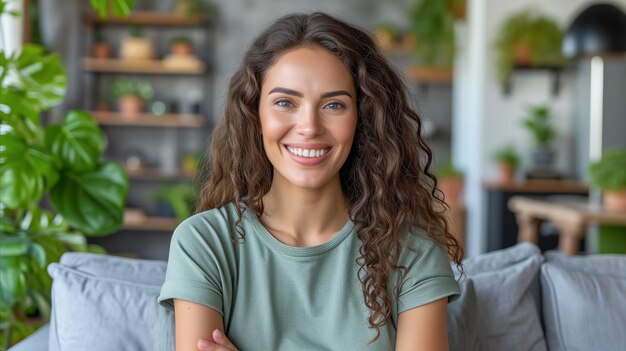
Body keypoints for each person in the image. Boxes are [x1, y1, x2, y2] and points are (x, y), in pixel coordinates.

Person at [158, 12, 463, 351]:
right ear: (254, 114)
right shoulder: (205, 243)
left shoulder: (412, 251)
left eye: (334, 104)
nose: (309, 126)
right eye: (285, 102)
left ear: (363, 119)